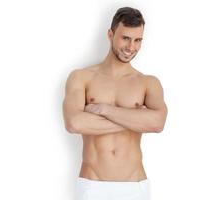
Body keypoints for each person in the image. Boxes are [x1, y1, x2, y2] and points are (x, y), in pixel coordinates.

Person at [62, 6, 168, 200]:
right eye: (125, 38)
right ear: (110, 34)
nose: (131, 47)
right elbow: (74, 123)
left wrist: (104, 109)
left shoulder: (148, 83)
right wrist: (136, 119)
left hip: (134, 186)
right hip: (92, 185)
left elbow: (157, 123)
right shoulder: (81, 77)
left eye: (138, 40)